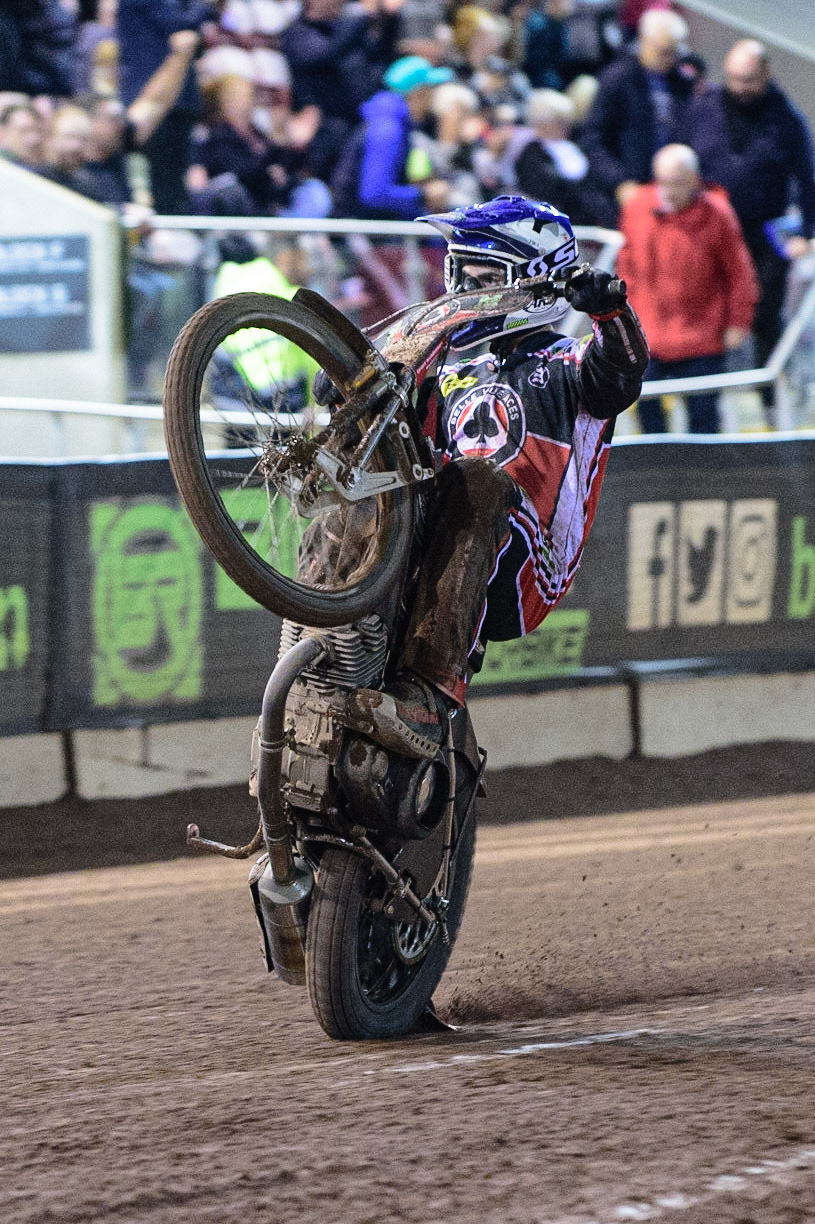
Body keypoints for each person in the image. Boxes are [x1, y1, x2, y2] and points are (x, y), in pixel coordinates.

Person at [342, 195, 649, 752]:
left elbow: (621, 374)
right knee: (362, 492)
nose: (466, 292)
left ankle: (430, 694)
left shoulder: (569, 362)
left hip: (531, 564)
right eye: (461, 275)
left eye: (485, 279)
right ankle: (320, 646)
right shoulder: (447, 369)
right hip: (442, 536)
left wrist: (610, 311)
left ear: (534, 282)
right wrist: (351, 388)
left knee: (478, 479)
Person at [687, 39, 815, 424]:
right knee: (708, 310)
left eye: (748, 80)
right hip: (710, 231)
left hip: (764, 234)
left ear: (765, 74)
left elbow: (807, 176)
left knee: (765, 315)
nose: (740, 88)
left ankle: (769, 401)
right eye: (735, 79)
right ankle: (707, 402)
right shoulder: (706, 106)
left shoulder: (786, 118)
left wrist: (806, 231)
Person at [617, 143, 758, 433]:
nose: (670, 191)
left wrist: (738, 322)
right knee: (648, 413)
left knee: (703, 418)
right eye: (664, 182)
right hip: (648, 332)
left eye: (678, 183)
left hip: (702, 333)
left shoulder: (717, 212)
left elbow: (739, 273)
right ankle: (657, 463)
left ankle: (704, 464)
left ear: (694, 179)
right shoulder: (638, 207)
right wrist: (623, 321)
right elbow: (626, 268)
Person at [580, 8, 694, 221]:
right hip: (617, 196)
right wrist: (619, 182)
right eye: (663, 51)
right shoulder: (617, 79)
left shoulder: (683, 84)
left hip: (665, 195)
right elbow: (592, 139)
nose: (670, 59)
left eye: (674, 52)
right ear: (644, 42)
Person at [331, 54, 453, 219]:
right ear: (418, 93)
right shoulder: (388, 129)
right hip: (362, 228)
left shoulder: (391, 122)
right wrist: (423, 195)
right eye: (431, 91)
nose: (433, 100)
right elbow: (375, 194)